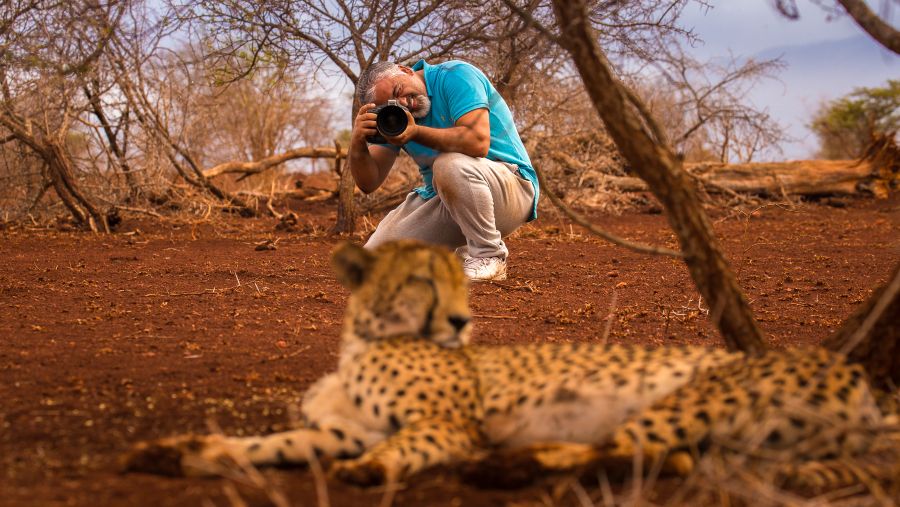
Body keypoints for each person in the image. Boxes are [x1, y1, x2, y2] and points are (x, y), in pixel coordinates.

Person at [348, 60, 539, 281]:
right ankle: (462, 251)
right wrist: (358, 143)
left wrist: (415, 132)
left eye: (398, 90)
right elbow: (368, 183)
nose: (403, 103)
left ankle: (488, 255)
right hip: (449, 201)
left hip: (512, 187)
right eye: (393, 103)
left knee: (448, 164)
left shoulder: (455, 75)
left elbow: (477, 142)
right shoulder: (394, 119)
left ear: (405, 70)